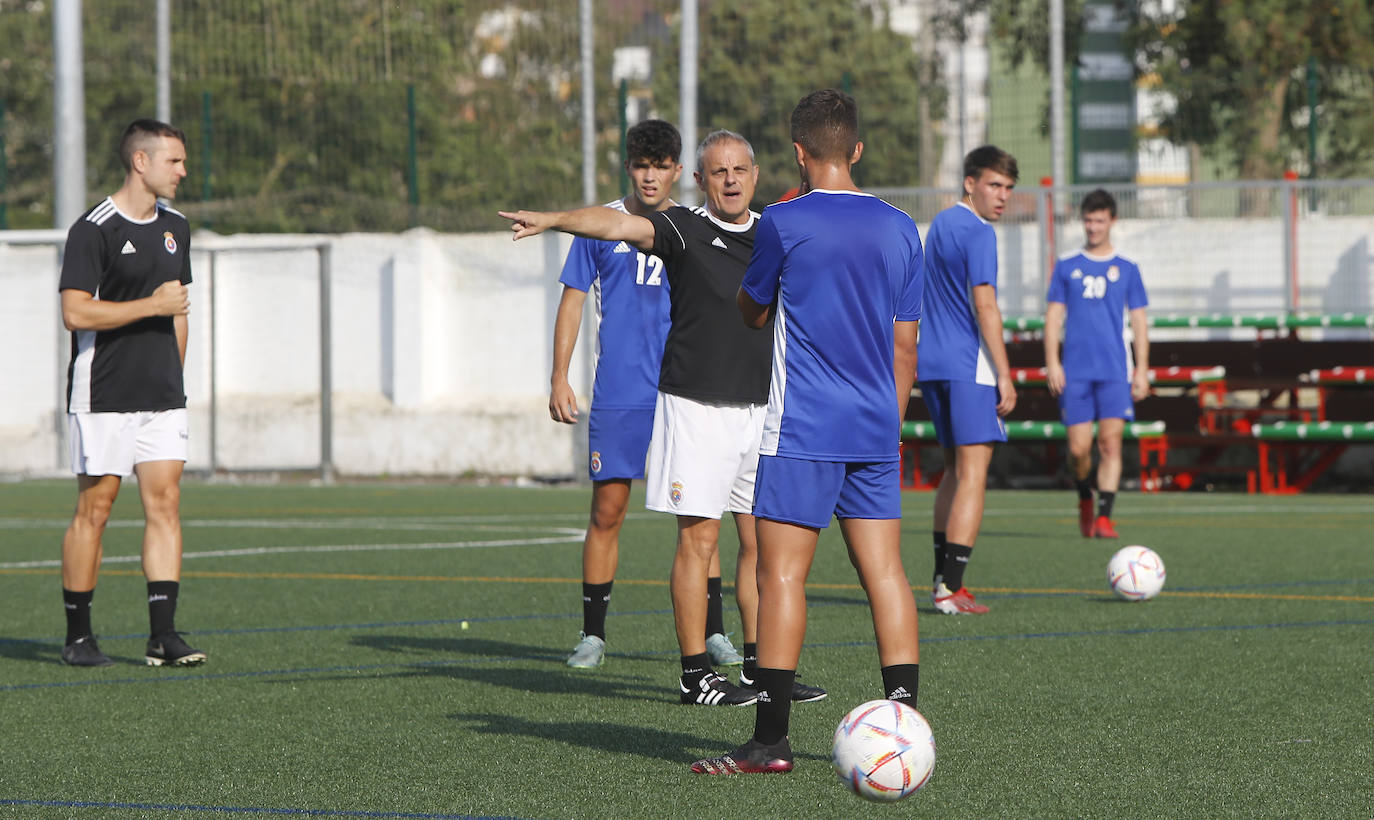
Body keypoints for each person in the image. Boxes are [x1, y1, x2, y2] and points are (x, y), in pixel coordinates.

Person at [500, 130, 826, 707]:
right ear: (700, 181)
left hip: (761, 411)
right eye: (718, 171)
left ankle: (760, 669)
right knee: (697, 540)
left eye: (739, 170)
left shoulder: (775, 235)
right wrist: (555, 219)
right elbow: (616, 225)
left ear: (754, 175)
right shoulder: (683, 228)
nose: (730, 179)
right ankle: (694, 673)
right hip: (696, 409)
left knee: (762, 544)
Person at [691, 89, 924, 775]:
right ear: (856, 149)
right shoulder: (901, 226)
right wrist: (892, 419)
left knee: (781, 574)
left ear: (798, 153)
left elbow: (753, 311)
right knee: (885, 573)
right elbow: (904, 347)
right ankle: (905, 725)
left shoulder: (784, 223)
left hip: (802, 428)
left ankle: (770, 742)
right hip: (877, 428)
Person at [554, 120, 742, 670]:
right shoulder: (604, 227)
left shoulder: (694, 229)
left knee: (699, 516)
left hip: (684, 393)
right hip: (620, 394)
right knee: (608, 510)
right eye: (642, 165)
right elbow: (572, 302)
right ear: (629, 167)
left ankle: (714, 634)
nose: (652, 175)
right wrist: (559, 377)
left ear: (679, 171)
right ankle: (593, 635)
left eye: (662, 166)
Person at [56, 118, 205, 667]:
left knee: (165, 502)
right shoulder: (92, 229)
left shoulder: (177, 227)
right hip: (104, 394)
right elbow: (75, 312)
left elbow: (180, 310)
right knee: (95, 509)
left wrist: (175, 376)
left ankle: (162, 637)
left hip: (162, 396)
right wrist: (151, 308)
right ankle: (78, 638)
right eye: (174, 161)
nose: (183, 171)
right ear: (141, 162)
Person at [917, 145, 1019, 615]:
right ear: (970, 183)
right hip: (968, 366)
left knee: (955, 471)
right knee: (974, 475)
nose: (1002, 197)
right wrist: (1005, 373)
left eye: (1008, 188)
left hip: (932, 365)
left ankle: (941, 580)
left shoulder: (941, 224)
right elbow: (986, 305)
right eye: (994, 185)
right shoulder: (978, 232)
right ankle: (950, 590)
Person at [1044, 189, 1150, 539]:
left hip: (1113, 372)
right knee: (1078, 450)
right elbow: (1053, 317)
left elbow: (1138, 323)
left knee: (1110, 443)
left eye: (1099, 220)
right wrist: (1052, 363)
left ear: (1112, 222)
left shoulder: (1128, 268)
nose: (1093, 227)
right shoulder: (1067, 265)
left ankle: (1104, 516)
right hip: (1075, 371)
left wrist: (1142, 370)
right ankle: (1084, 499)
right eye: (1088, 220)